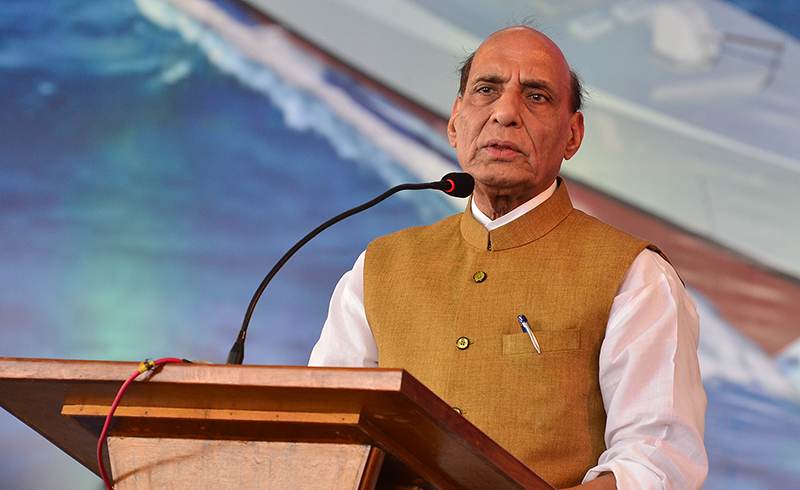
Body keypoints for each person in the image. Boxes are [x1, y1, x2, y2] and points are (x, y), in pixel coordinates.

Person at [309, 26, 707, 490]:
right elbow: (325, 435)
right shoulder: (379, 267)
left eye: (536, 96)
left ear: (573, 135)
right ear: (455, 121)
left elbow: (655, 464)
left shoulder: (635, 274)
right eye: (486, 90)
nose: (505, 113)